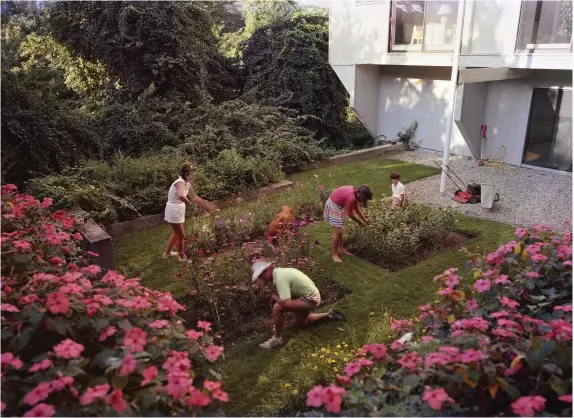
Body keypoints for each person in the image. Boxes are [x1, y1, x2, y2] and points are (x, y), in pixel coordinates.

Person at [252, 260, 346, 349]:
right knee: (300, 323)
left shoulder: (280, 278)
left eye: (260, 276)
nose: (261, 279)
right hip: (310, 295)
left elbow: (286, 303)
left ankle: (277, 339)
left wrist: (274, 296)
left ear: (266, 271)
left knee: (278, 308)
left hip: (310, 299)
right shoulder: (279, 272)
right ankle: (330, 314)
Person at [163, 162, 217, 262]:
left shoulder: (186, 183)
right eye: (193, 174)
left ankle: (167, 254)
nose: (194, 176)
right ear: (187, 174)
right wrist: (190, 203)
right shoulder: (180, 182)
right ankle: (182, 256)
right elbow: (181, 195)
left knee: (176, 233)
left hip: (177, 209)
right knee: (181, 235)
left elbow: (194, 197)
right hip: (174, 210)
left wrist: (207, 205)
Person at [324, 184, 372, 263]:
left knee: (339, 229)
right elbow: (350, 214)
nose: (365, 200)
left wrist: (365, 220)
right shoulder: (351, 198)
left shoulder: (356, 194)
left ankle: (341, 248)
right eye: (365, 199)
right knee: (338, 232)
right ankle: (334, 255)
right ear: (362, 196)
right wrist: (360, 221)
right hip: (333, 205)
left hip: (338, 205)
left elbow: (357, 209)